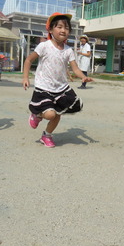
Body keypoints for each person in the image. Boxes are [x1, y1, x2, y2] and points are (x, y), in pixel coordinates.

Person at [22, 12, 93, 148]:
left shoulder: (68, 50)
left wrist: (83, 77)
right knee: (50, 114)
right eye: (59, 27)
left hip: (61, 88)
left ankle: (47, 135)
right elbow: (29, 60)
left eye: (66, 28)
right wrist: (25, 77)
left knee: (58, 113)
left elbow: (75, 68)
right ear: (50, 29)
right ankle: (37, 115)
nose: (63, 30)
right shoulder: (44, 46)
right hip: (44, 87)